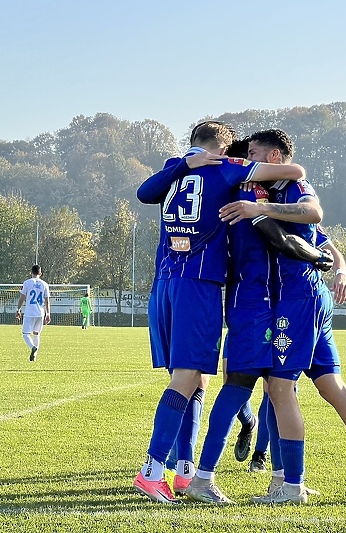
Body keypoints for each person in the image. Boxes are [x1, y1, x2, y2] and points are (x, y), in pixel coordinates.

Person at [220, 129, 346, 505]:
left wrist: (261, 210)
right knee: (332, 386)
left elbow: (314, 213)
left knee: (280, 389)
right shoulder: (273, 189)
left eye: (253, 154)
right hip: (311, 297)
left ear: (272, 158)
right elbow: (323, 237)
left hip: (296, 298)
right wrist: (341, 269)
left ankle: (291, 488)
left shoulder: (292, 183)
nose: (247, 161)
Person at [133, 121, 307, 504]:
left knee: (194, 380)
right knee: (186, 378)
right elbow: (296, 172)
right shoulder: (227, 168)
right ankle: (152, 471)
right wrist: (234, 167)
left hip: (164, 281)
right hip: (200, 284)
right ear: (222, 149)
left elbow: (145, 193)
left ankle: (184, 471)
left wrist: (184, 163)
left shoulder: (174, 167)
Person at [184, 139, 333, 504]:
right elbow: (282, 239)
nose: (251, 165)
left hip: (269, 305)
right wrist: (317, 256)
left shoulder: (256, 195)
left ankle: (284, 480)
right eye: (246, 159)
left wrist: (327, 255)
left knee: (278, 390)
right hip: (252, 305)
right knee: (240, 388)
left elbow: (304, 227)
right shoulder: (245, 195)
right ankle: (204, 478)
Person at [15, 265, 51, 362]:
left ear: (31, 272)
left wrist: (18, 309)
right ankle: (35, 355)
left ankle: (32, 348)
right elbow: (47, 301)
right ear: (40, 273)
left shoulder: (27, 283)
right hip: (40, 313)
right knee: (36, 334)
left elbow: (22, 298)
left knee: (25, 334)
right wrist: (48, 314)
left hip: (30, 312)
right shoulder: (45, 284)